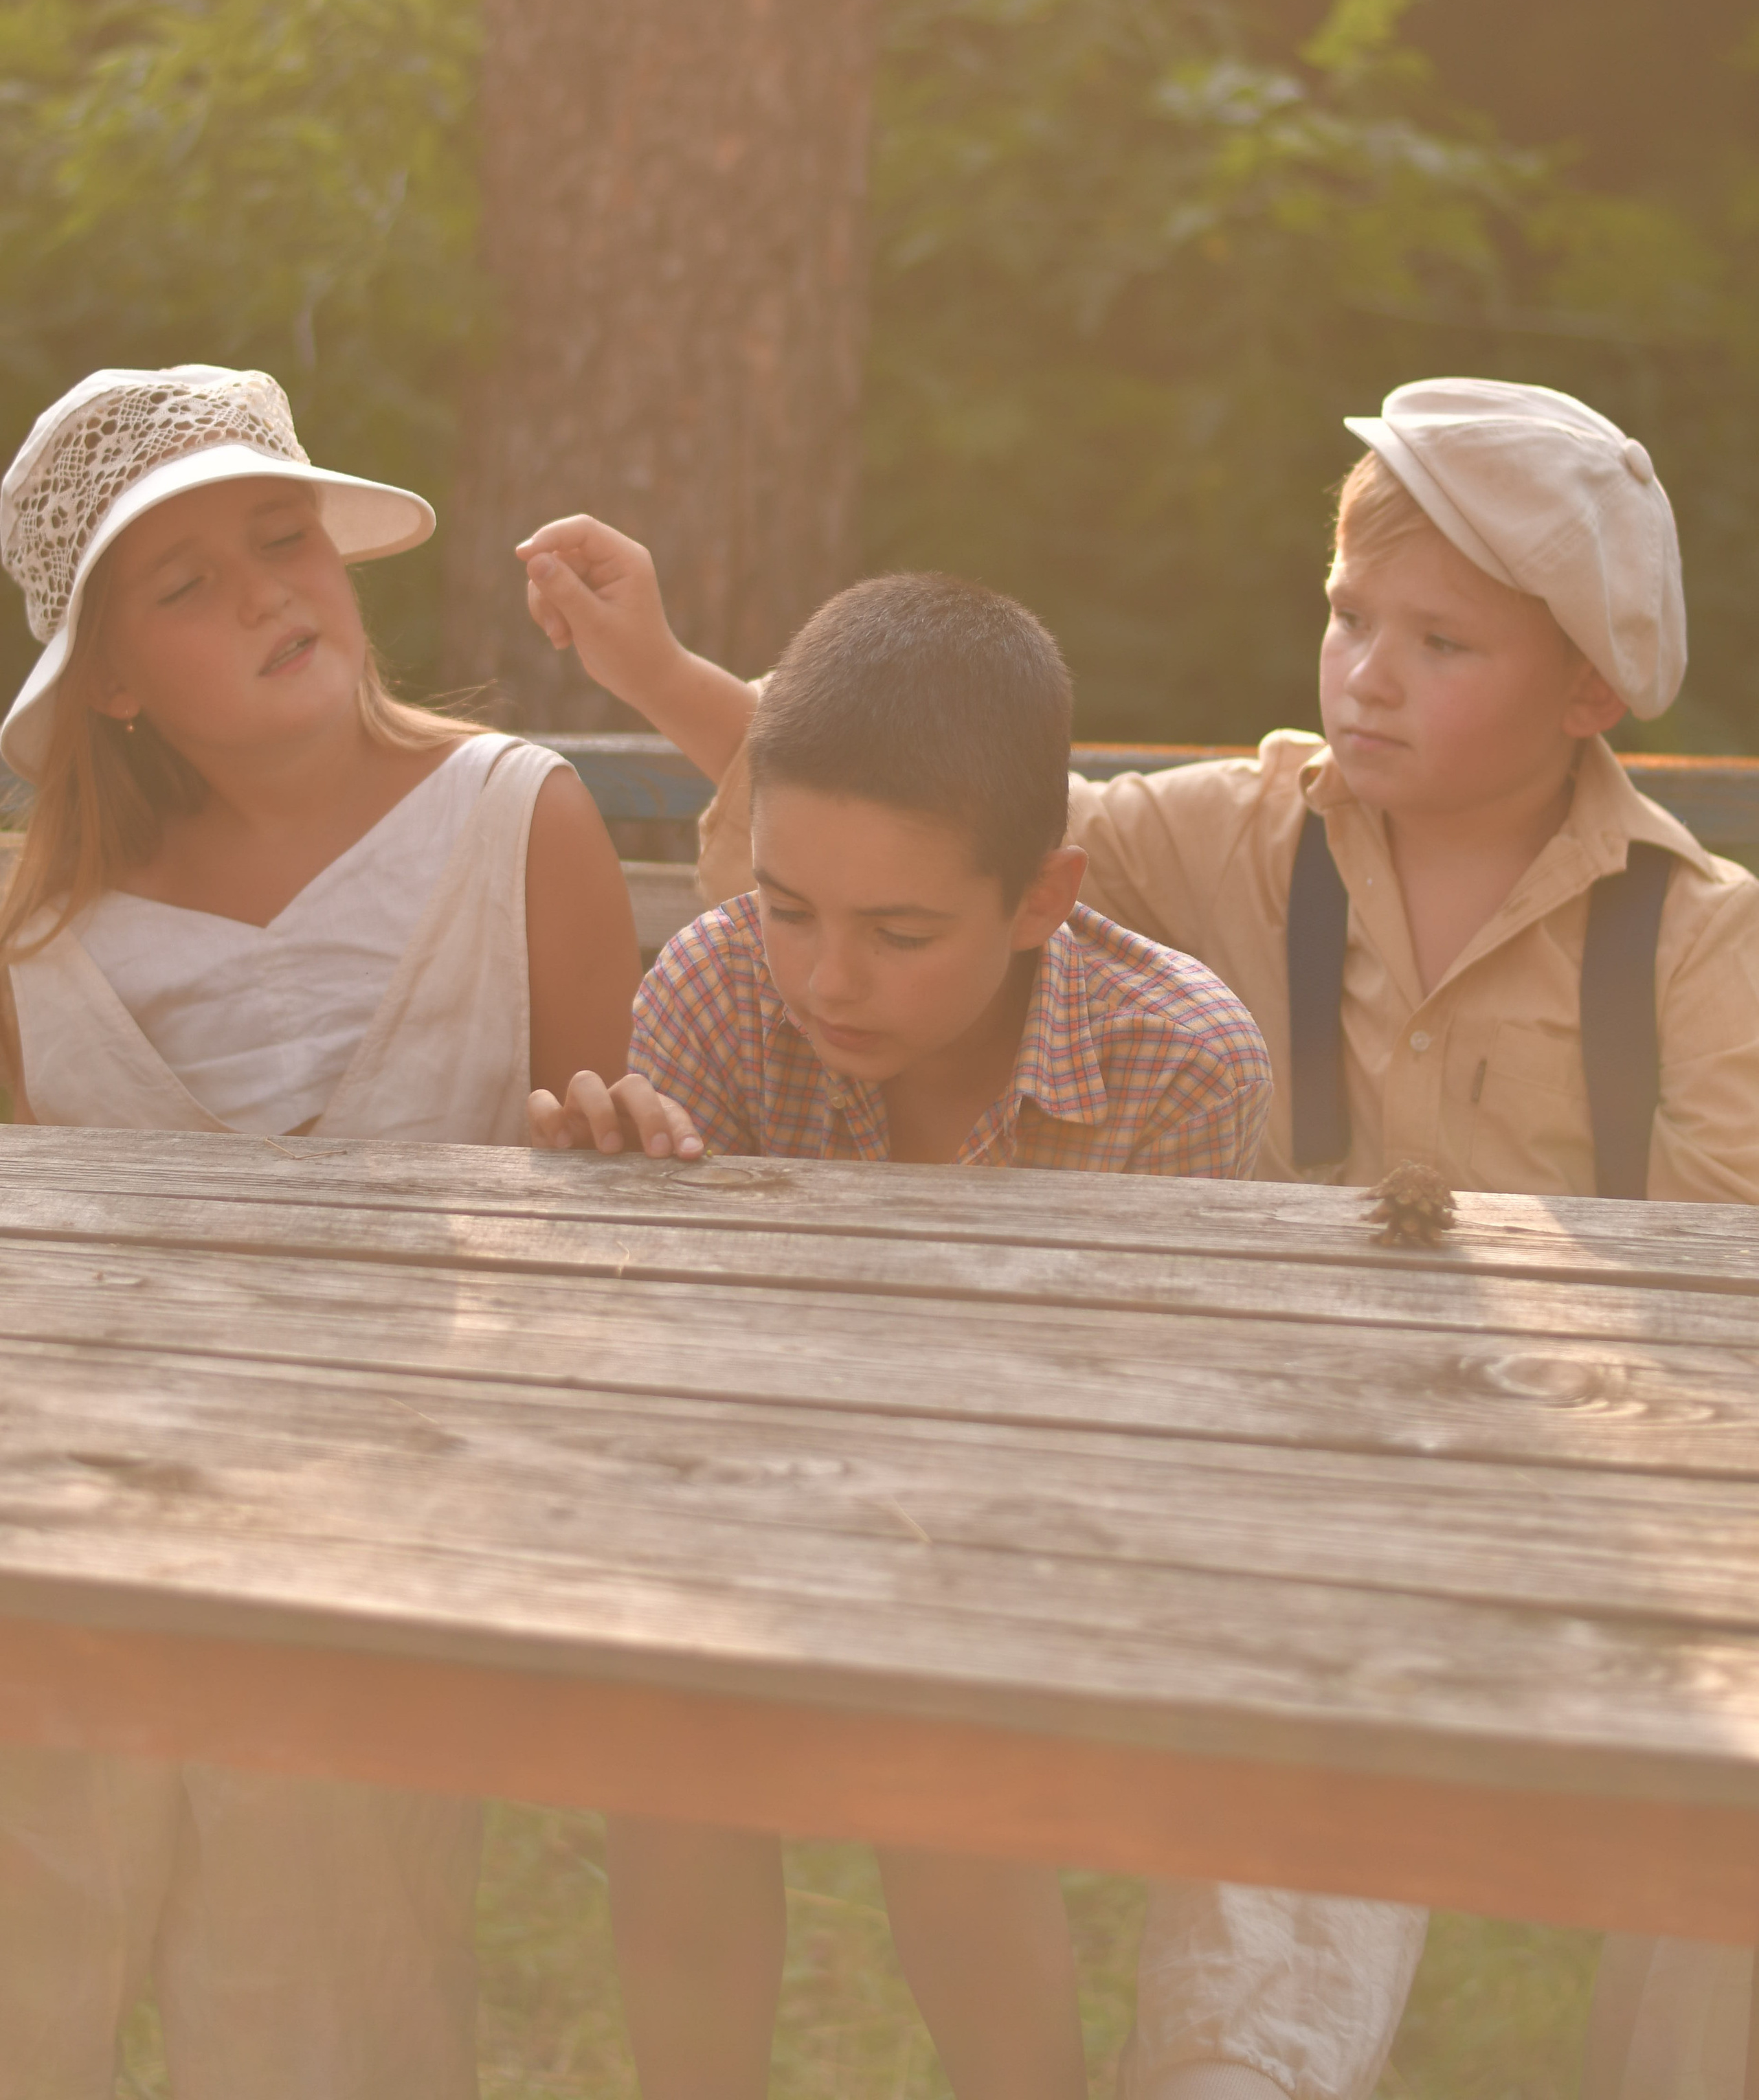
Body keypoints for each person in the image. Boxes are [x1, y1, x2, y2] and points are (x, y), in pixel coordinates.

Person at [518, 375, 1759, 2100]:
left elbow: (1713, 1320)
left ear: (1590, 690)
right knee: (1277, 1873)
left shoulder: (1695, 946)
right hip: (1290, 1493)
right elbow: (934, 827)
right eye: (1345, 618)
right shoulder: (1239, 833)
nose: (1366, 672)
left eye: (1440, 643)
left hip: (1584, 1496)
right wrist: (659, 674)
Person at [528, 568, 1273, 2100]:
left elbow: (1158, 1428)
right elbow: (665, 1410)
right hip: (751, 1523)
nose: (825, 977)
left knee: (946, 1799)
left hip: (1042, 1547)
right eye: (786, 906)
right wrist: (617, 1218)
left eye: (899, 931)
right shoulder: (718, 992)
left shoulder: (1177, 1063)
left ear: (1041, 902)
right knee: (675, 1776)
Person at [0, 363, 641, 2100]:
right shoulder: (37, 937)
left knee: (315, 1958)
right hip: (88, 1541)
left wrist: (604, 1162)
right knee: (31, 1901)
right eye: (186, 585)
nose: (269, 589)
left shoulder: (517, 822)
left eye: (283, 540)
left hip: (397, 1528)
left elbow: (606, 1211)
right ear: (115, 683)